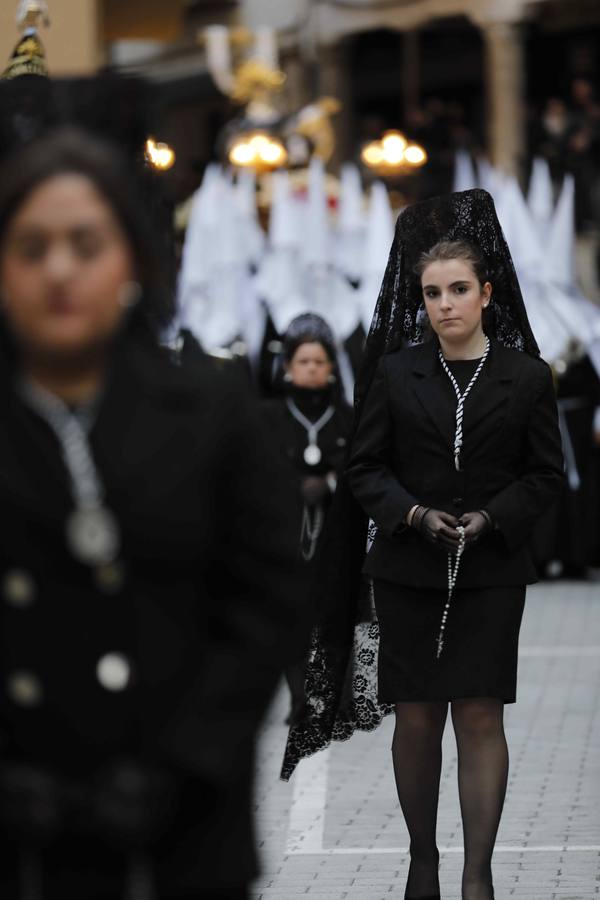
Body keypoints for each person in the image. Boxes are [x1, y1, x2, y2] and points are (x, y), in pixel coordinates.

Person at [0, 127, 300, 900]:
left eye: (85, 244)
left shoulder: (213, 412)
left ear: (131, 260)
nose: (59, 270)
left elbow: (265, 607)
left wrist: (183, 766)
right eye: (31, 248)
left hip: (180, 840)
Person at [282, 190, 564, 900]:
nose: (445, 304)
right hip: (408, 571)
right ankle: (421, 860)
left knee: (478, 714)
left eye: (459, 289)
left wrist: (492, 519)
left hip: (492, 572)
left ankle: (477, 874)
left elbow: (544, 476)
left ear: (487, 292)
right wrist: (410, 515)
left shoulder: (528, 377)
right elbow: (365, 468)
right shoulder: (395, 372)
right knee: (416, 716)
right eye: (433, 292)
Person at [261, 314, 353, 722]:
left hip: (338, 534)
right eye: (304, 362)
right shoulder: (268, 417)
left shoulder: (349, 416)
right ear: (288, 368)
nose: (312, 368)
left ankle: (342, 698)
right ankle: (300, 700)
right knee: (291, 615)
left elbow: (362, 468)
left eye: (320, 361)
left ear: (332, 368)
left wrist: (330, 483)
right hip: (287, 534)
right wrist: (292, 486)